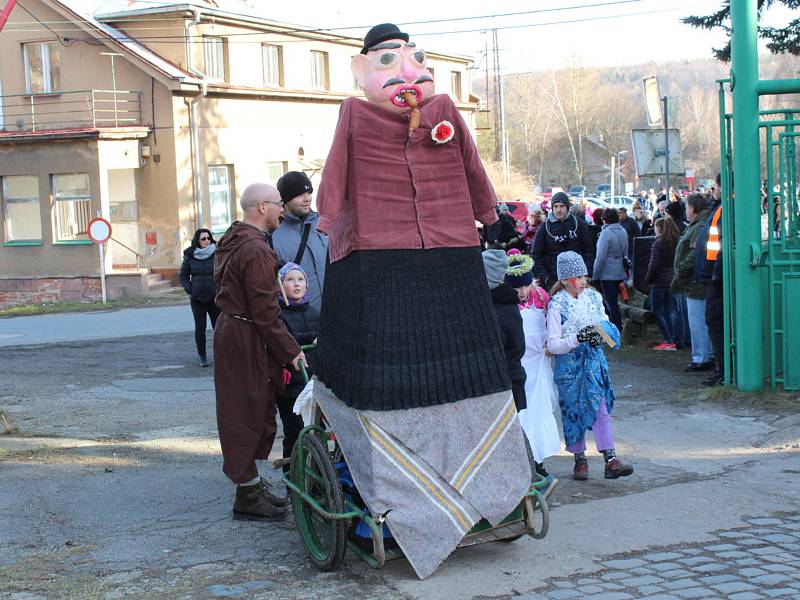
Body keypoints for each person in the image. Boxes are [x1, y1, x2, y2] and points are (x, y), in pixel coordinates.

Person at [312, 23, 531, 579]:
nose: (407, 72)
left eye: (414, 60)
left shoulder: (446, 113)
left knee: (459, 331)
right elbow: (337, 167)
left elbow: (471, 166)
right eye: (389, 60)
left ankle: (477, 478)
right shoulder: (355, 115)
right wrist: (328, 216)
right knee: (384, 334)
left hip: (448, 241)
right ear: (366, 68)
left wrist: (489, 215)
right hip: (377, 246)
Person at [213, 183, 307, 522]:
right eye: (279, 205)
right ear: (262, 207)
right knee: (246, 412)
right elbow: (265, 310)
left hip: (235, 331)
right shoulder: (254, 249)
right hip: (244, 336)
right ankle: (248, 495)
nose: (283, 211)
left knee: (245, 409)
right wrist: (290, 350)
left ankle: (249, 487)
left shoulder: (234, 238)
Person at [546, 251, 633, 481]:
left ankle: (610, 458)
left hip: (594, 363)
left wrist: (601, 336)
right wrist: (577, 338)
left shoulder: (594, 298)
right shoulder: (557, 306)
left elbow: (604, 323)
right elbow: (553, 345)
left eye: (584, 275)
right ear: (565, 280)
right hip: (569, 367)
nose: (584, 281)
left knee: (600, 409)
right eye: (578, 277)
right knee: (573, 412)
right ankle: (579, 459)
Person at [503, 250, 560, 492]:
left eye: (526, 286)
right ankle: (524, 462)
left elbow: (551, 327)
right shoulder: (504, 302)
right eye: (517, 288)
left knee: (539, 411)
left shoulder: (542, 297)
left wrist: (550, 345)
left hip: (538, 364)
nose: (523, 292)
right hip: (517, 365)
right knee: (521, 414)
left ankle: (538, 460)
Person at [276, 262, 319, 470]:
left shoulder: (314, 312)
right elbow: (285, 339)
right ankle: (292, 478)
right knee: (294, 433)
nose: (296, 284)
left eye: (300, 280)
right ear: (281, 286)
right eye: (290, 280)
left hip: (313, 382)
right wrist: (312, 337)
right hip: (290, 386)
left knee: (316, 431)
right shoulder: (278, 315)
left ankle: (315, 476)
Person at [271, 171, 328, 315]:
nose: (307, 198)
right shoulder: (273, 235)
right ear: (286, 199)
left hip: (333, 317)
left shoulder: (323, 224)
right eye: (300, 194)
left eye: (309, 193)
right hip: (299, 322)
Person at [671, 193, 713, 372]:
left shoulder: (699, 226)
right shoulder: (698, 224)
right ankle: (705, 355)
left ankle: (701, 358)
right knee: (699, 321)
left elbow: (694, 253)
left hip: (694, 281)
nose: (686, 211)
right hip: (695, 280)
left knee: (697, 322)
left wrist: (681, 269)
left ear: (693, 209)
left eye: (687, 207)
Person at [532, 192, 594, 291]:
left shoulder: (579, 224)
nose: (558, 210)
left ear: (567, 207)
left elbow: (588, 250)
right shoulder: (544, 228)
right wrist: (544, 276)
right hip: (553, 278)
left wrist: (587, 272)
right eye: (555, 206)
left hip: (577, 276)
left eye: (562, 206)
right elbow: (536, 254)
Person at [179, 228, 220, 367]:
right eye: (203, 239)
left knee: (219, 328)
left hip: (215, 298)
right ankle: (202, 356)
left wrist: (220, 289)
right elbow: (183, 275)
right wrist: (190, 290)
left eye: (209, 238)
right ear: (198, 240)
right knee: (200, 327)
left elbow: (224, 273)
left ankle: (221, 356)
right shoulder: (190, 255)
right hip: (197, 299)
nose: (207, 241)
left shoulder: (217, 253)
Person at [646, 218, 680, 351]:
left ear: (660, 228)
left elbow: (654, 264)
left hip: (658, 282)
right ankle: (673, 338)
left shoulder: (657, 244)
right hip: (671, 280)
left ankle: (668, 339)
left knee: (656, 311)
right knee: (669, 311)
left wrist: (648, 279)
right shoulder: (675, 242)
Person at [592, 208, 629, 333]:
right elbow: (626, 251)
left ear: (604, 219)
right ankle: (616, 326)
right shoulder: (623, 230)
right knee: (613, 302)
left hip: (607, 273)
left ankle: (615, 329)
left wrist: (595, 275)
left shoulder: (605, 233)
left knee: (610, 303)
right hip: (620, 271)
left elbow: (600, 257)